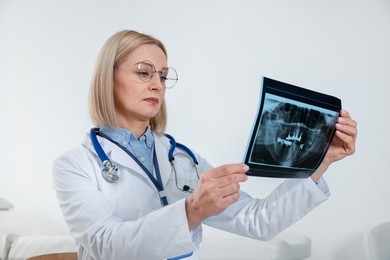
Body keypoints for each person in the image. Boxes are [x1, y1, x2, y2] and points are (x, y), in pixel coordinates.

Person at [52, 29, 357, 260]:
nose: (157, 84)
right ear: (108, 77)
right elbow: (105, 246)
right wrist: (191, 211)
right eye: (144, 72)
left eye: (162, 75)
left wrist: (321, 159)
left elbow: (257, 221)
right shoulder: (75, 165)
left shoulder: (183, 159)